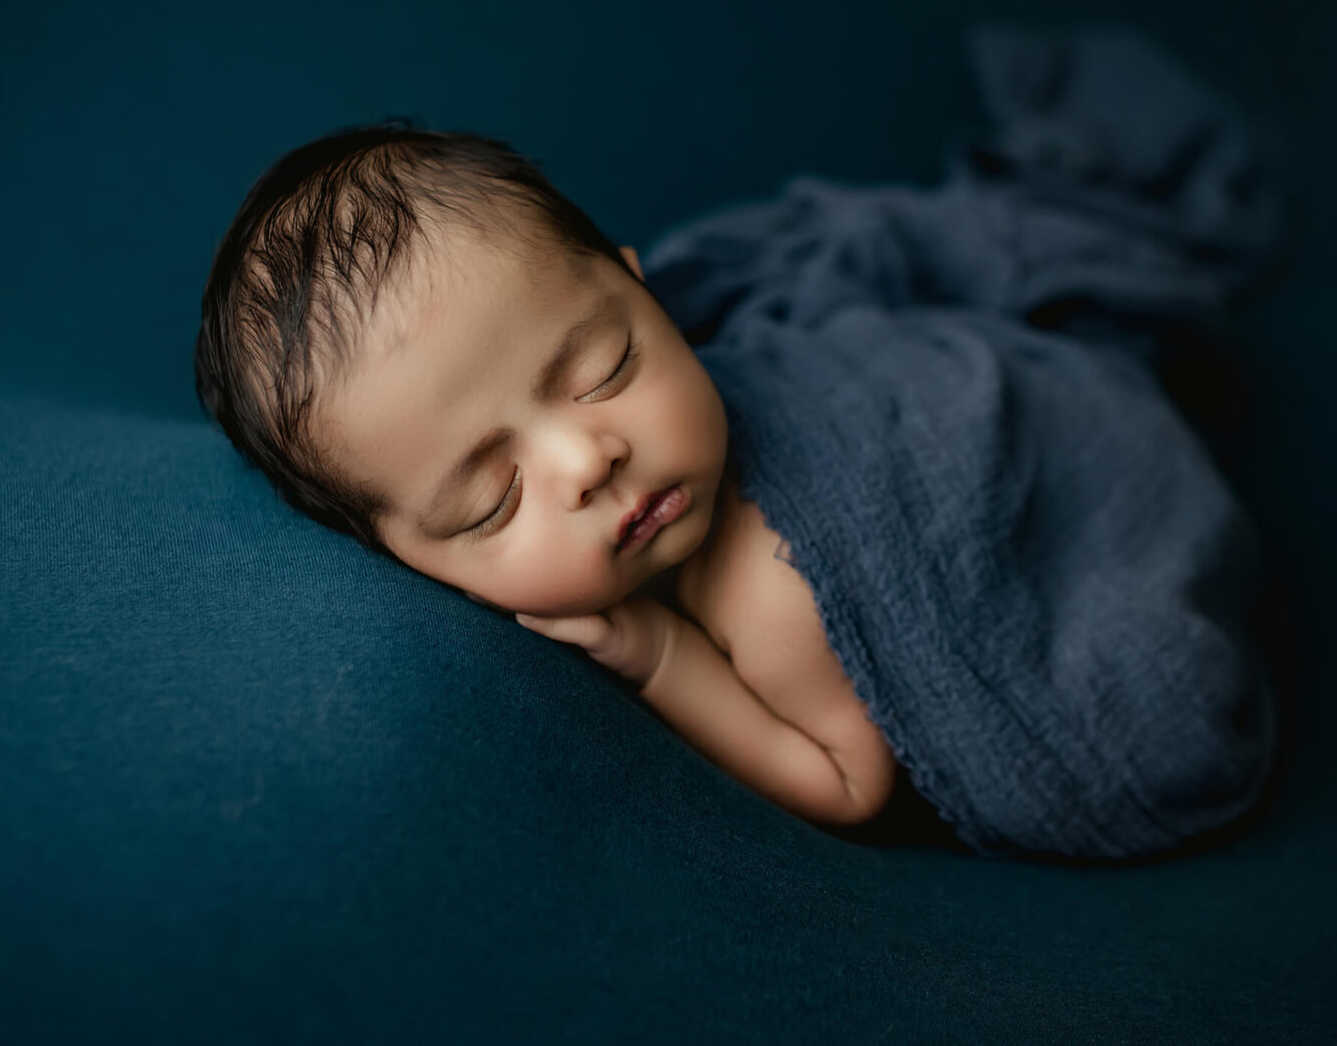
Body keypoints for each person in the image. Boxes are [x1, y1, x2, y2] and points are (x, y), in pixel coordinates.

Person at [194, 122, 903, 835]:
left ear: (639, 283)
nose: (588, 462)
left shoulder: (777, 586)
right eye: (493, 500)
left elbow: (848, 785)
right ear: (401, 555)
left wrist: (664, 657)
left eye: (605, 369)